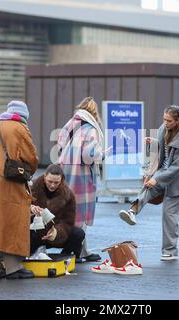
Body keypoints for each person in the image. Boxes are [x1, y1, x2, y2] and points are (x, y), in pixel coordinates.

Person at [119, 105, 179, 261]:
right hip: (163, 171)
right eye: (164, 119)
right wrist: (154, 142)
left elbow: (177, 168)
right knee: (147, 187)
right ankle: (133, 211)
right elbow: (165, 146)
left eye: (169, 121)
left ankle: (170, 251)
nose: (165, 123)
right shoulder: (164, 128)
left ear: (177, 121)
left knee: (170, 216)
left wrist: (156, 178)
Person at [0, 101, 38, 279]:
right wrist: (28, 172)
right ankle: (13, 268)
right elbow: (31, 158)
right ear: (23, 116)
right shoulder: (20, 129)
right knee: (11, 219)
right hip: (9, 180)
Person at [57, 97, 109, 263]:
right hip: (82, 175)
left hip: (66, 171)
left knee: (69, 209)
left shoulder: (70, 124)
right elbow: (89, 156)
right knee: (81, 212)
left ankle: (82, 250)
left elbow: (59, 145)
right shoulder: (91, 129)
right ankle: (76, 250)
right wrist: (103, 154)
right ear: (94, 113)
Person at [29, 164, 85, 260]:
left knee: (78, 233)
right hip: (35, 233)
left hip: (55, 233)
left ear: (62, 180)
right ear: (44, 176)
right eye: (49, 181)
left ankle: (67, 253)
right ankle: (27, 253)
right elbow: (18, 209)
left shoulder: (69, 195)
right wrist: (30, 209)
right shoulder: (31, 188)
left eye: (56, 182)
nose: (52, 185)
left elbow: (68, 222)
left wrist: (56, 233)